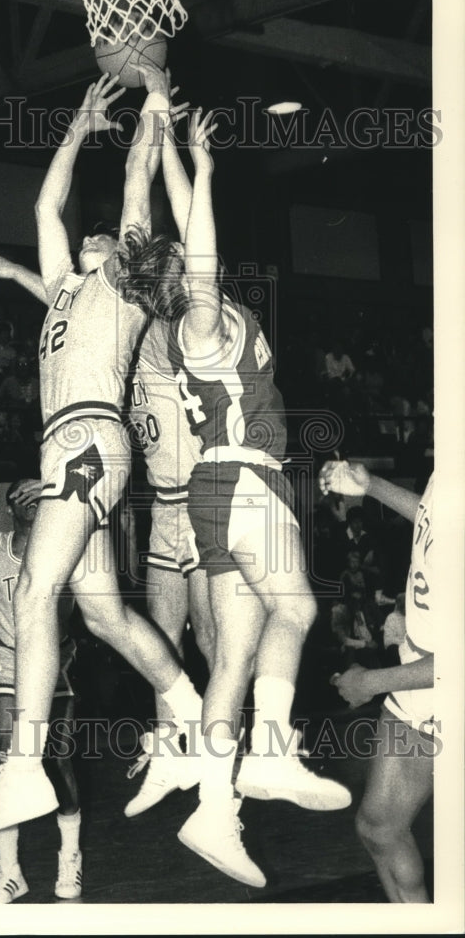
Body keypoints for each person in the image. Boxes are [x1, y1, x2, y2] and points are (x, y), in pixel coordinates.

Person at [0, 73, 205, 837]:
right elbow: (42, 207)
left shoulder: (125, 284)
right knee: (97, 612)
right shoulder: (64, 288)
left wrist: (153, 106)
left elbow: (135, 181)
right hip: (74, 442)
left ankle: (25, 770)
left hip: (90, 439)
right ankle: (192, 717)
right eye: (89, 233)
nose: (93, 232)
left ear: (124, 254)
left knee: (34, 592)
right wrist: (75, 126)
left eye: (105, 234)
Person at [126, 101, 350, 887]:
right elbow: (202, 260)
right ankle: (272, 753)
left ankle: (216, 813)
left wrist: (187, 160)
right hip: (245, 476)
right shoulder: (202, 327)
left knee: (235, 658)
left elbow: (191, 235)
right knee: (299, 609)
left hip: (211, 498)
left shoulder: (198, 330)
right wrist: (210, 175)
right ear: (182, 290)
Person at [0, 479, 82, 903]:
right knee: (6, 762)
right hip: (10, 660)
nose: (33, 504)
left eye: (39, 497)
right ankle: (10, 872)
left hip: (54, 662)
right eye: (24, 498)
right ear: (9, 505)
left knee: (59, 761)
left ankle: (70, 858)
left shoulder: (63, 546)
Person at [321, 461, 434, 903]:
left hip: (438, 683)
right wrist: (372, 486)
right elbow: (436, 517)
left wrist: (372, 681)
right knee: (379, 828)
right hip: (420, 672)